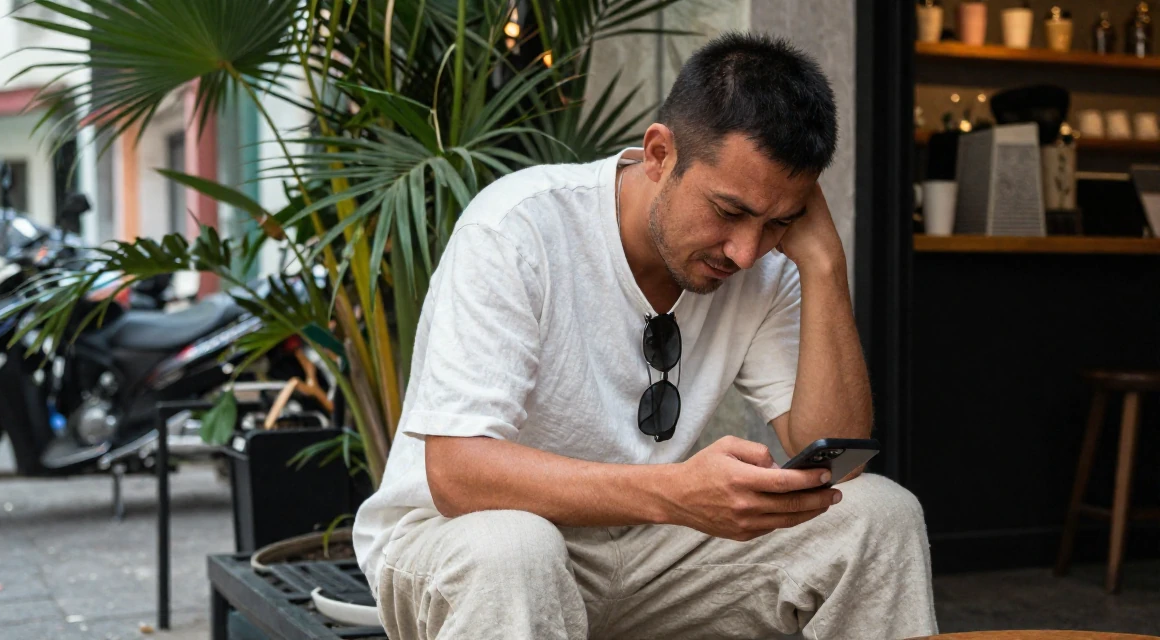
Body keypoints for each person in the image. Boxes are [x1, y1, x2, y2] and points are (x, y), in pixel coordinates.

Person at [352, 31, 937, 640]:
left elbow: (834, 458)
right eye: (729, 211)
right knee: (514, 548)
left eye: (779, 223)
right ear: (659, 154)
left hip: (652, 552)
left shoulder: (767, 264)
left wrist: (824, 266)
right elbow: (457, 473)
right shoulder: (518, 229)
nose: (744, 251)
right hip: (465, 539)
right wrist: (674, 492)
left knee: (880, 515)